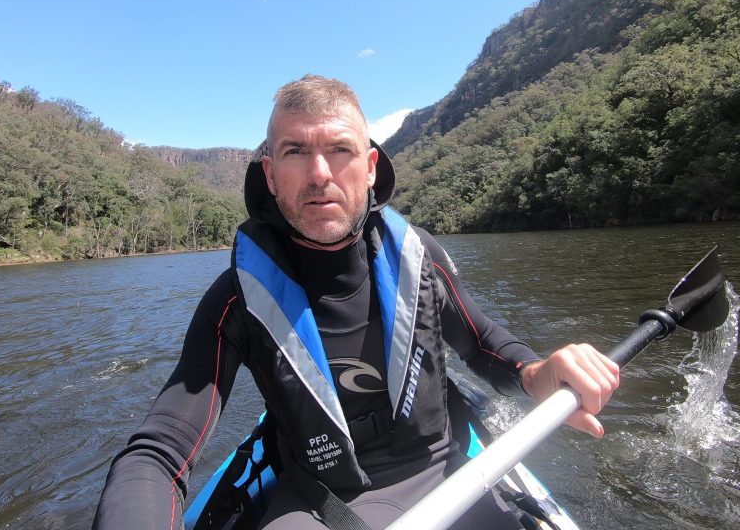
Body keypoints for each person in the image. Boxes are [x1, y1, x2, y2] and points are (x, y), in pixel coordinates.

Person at [92, 75, 619, 530]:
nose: (320, 173)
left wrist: (537, 372)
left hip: (445, 476)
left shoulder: (420, 258)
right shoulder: (235, 300)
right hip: (318, 506)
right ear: (271, 175)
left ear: (369, 167)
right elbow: (158, 452)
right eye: (296, 151)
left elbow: (484, 346)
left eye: (339, 150)